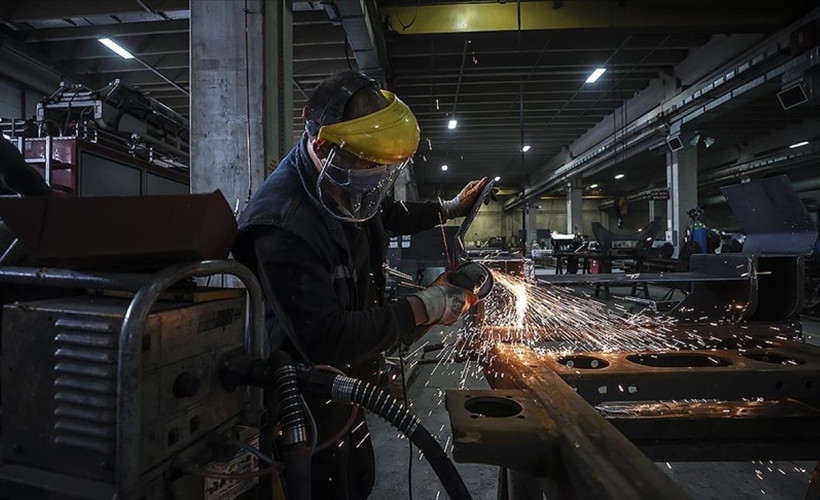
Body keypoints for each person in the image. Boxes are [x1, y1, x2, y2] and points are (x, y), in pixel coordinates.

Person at [232, 71, 487, 499]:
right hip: (303, 396)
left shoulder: (342, 178)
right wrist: (425, 306)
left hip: (349, 382)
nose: (376, 177)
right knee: (324, 489)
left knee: (360, 479)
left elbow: (382, 213)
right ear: (323, 147)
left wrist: (447, 208)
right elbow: (326, 339)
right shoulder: (281, 226)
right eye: (369, 165)